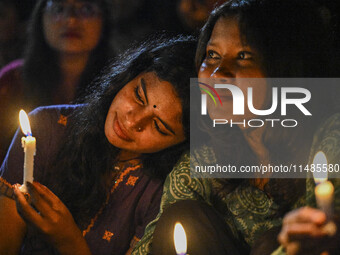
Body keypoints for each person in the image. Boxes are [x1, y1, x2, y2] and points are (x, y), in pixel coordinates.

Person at [132, 0, 340, 254]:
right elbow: (153, 245)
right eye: (212, 55)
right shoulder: (202, 163)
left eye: (243, 56)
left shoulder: (331, 138)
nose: (218, 74)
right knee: (183, 217)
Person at [0, 35, 197, 255]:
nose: (133, 121)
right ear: (128, 76)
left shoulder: (161, 193)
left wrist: (68, 242)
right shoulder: (46, 128)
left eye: (159, 127)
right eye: (138, 96)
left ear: (180, 143)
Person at [0, 0, 115, 164]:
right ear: (41, 17)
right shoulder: (11, 82)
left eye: (86, 9)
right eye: (59, 8)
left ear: (104, 20)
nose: (71, 20)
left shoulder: (119, 86)